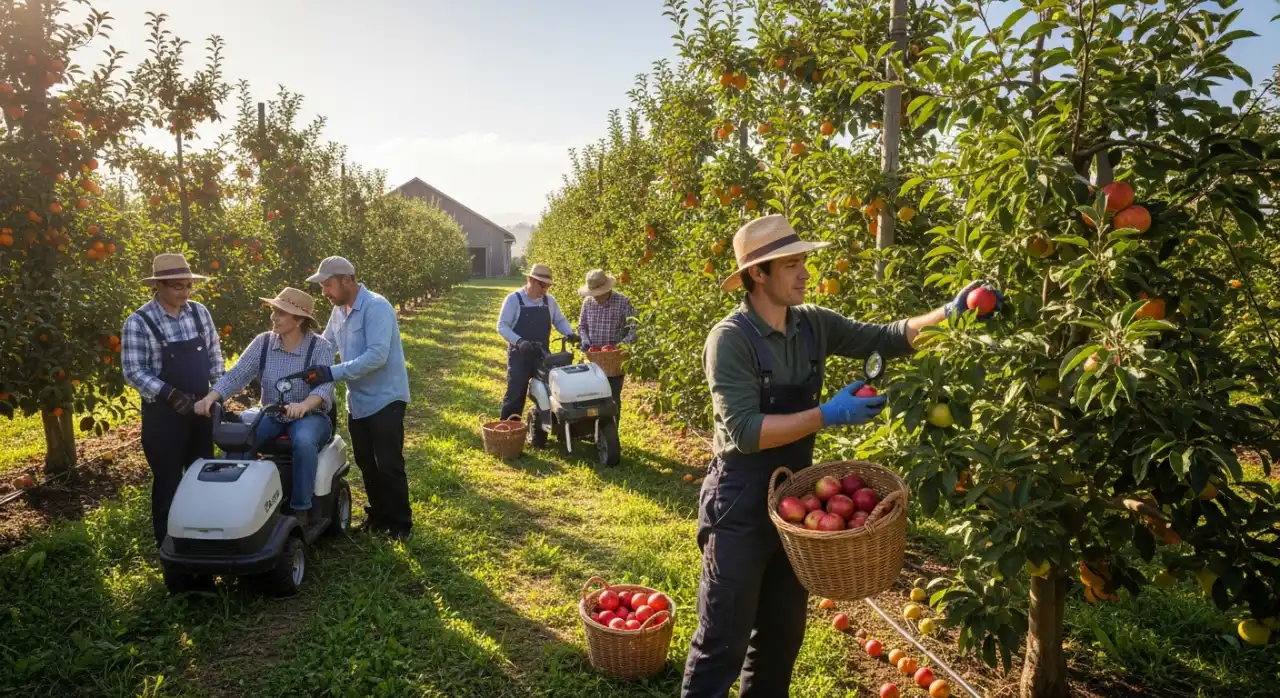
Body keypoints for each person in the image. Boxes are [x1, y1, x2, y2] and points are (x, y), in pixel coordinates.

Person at [682, 215, 1001, 698]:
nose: (804, 273)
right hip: (739, 502)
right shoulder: (730, 339)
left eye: (803, 261)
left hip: (798, 502)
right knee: (722, 639)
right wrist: (827, 415)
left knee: (780, 639)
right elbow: (746, 432)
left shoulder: (813, 324)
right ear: (757, 275)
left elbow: (887, 337)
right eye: (790, 265)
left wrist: (950, 313)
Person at [192, 288, 336, 527]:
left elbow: (324, 389)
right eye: (274, 311)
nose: (273, 318)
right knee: (245, 439)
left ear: (299, 320)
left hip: (311, 416)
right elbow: (237, 374)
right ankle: (237, 502)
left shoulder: (319, 347)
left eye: (281, 313)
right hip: (273, 412)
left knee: (304, 441)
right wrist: (211, 397)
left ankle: (301, 507)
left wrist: (303, 405)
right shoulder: (264, 342)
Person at [301, 256, 413, 540]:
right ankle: (378, 515)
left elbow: (377, 356)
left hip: (385, 398)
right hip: (359, 400)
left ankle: (400, 524)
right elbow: (325, 344)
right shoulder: (339, 310)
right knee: (366, 461)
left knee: (388, 463)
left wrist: (330, 372)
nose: (324, 292)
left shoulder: (377, 307)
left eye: (328, 285)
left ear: (347, 280)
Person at [121, 253, 226, 548]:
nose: (185, 292)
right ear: (159, 287)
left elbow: (215, 355)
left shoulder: (199, 313)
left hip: (201, 407)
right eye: (178, 286)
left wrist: (219, 392)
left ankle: (206, 537)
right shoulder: (139, 322)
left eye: (188, 285)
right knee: (168, 479)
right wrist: (169, 393)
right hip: (164, 415)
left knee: (203, 472)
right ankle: (169, 545)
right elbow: (133, 370)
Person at [496, 263, 580, 420]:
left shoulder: (549, 301)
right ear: (531, 280)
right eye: (542, 285)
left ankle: (549, 426)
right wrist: (519, 341)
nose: (545, 290)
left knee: (550, 391)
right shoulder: (514, 300)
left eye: (547, 286)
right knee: (515, 394)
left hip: (542, 355)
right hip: (520, 355)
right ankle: (509, 429)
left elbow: (559, 320)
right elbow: (502, 326)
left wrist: (570, 333)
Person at [577, 268, 637, 412]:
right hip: (594, 359)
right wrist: (585, 340)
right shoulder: (588, 302)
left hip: (614, 361)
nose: (595, 296)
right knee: (592, 398)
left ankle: (611, 432)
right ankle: (597, 431)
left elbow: (634, 327)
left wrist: (621, 346)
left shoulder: (623, 302)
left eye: (598, 293)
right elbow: (582, 326)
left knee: (612, 399)